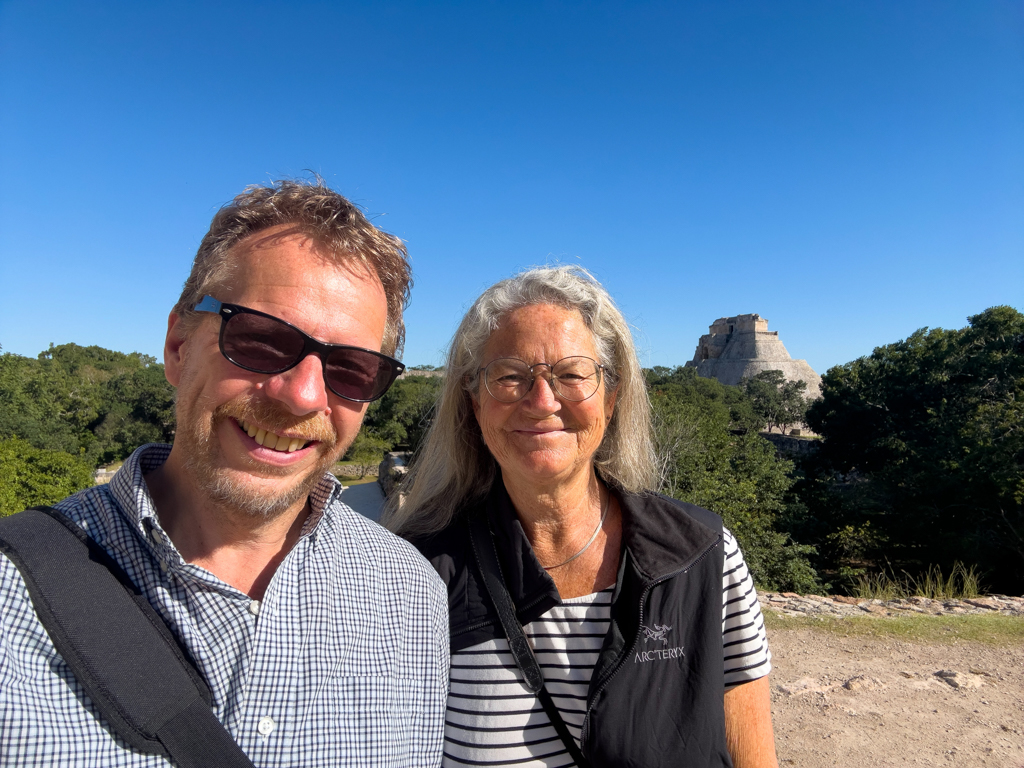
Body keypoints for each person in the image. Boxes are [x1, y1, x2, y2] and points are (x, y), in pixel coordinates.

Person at [0, 180, 449, 766]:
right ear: (178, 344)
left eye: (353, 368)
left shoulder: (412, 598)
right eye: (261, 340)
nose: (303, 397)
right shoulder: (15, 599)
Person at [385, 265, 779, 768]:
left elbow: (752, 755)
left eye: (572, 374)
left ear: (610, 399)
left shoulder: (701, 555)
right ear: (474, 403)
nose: (542, 402)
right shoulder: (416, 570)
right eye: (510, 376)